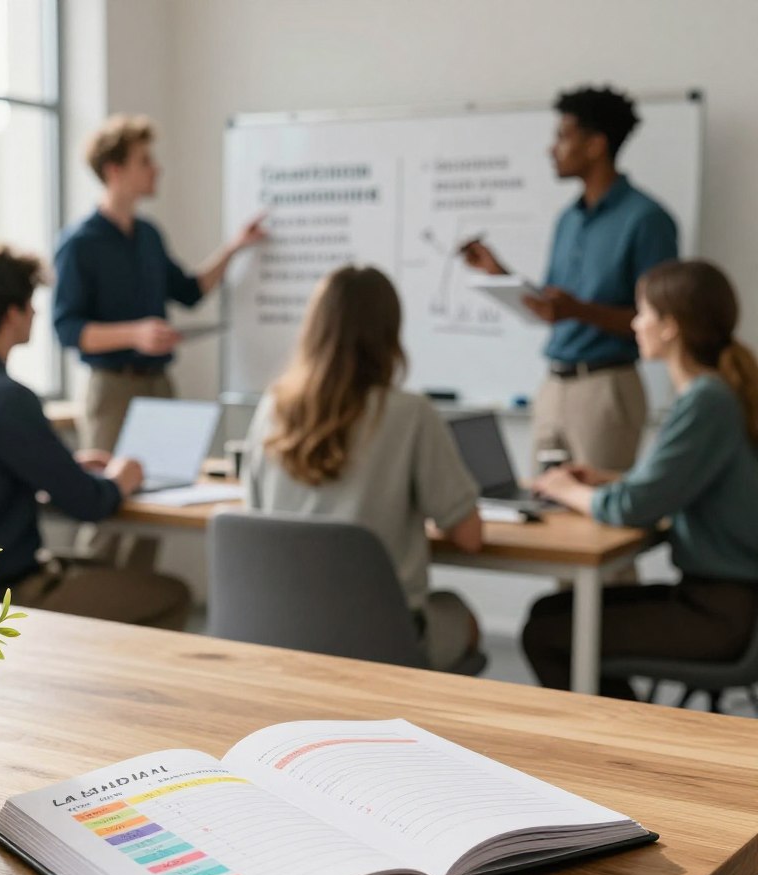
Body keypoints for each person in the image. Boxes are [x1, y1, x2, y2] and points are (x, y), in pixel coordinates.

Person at [0, 243, 191, 629]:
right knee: (173, 594)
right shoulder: (5, 398)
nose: (36, 312)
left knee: (110, 573)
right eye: (30, 303)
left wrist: (62, 468)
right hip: (8, 592)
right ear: (12, 314)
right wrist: (123, 476)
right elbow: (88, 503)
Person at [522, 259, 758, 698]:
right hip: (720, 601)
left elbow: (634, 507)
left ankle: (615, 746)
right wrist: (607, 478)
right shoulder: (716, 392)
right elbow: (675, 484)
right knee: (548, 613)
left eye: (643, 313)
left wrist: (566, 489)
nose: (635, 323)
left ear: (670, 327)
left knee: (547, 634)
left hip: (719, 615)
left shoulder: (707, 400)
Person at [243, 265, 484, 673]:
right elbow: (470, 535)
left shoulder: (272, 409)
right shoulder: (412, 414)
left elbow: (253, 526)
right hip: (381, 641)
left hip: (281, 636)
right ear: (389, 334)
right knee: (463, 617)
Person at [461, 85, 679, 472]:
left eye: (563, 137)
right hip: (553, 384)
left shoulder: (647, 220)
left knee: (594, 519)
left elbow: (662, 321)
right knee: (541, 506)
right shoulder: (568, 219)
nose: (552, 149)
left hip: (607, 386)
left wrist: (579, 310)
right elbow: (553, 303)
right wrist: (499, 273)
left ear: (596, 145)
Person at [54, 113, 265, 451]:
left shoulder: (148, 236)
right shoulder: (79, 243)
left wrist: (235, 247)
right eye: (145, 160)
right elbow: (67, 329)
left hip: (159, 385)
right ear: (114, 170)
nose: (156, 169)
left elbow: (189, 292)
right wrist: (136, 334)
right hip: (112, 390)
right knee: (111, 495)